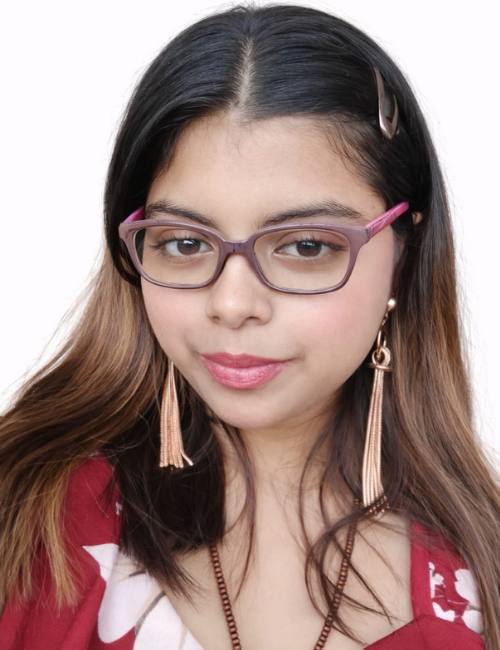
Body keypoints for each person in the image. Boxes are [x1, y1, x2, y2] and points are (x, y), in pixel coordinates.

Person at [0, 3, 498, 649]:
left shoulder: (482, 577)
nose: (232, 304)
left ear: (404, 253)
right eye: (183, 243)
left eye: (306, 246)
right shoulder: (22, 515)